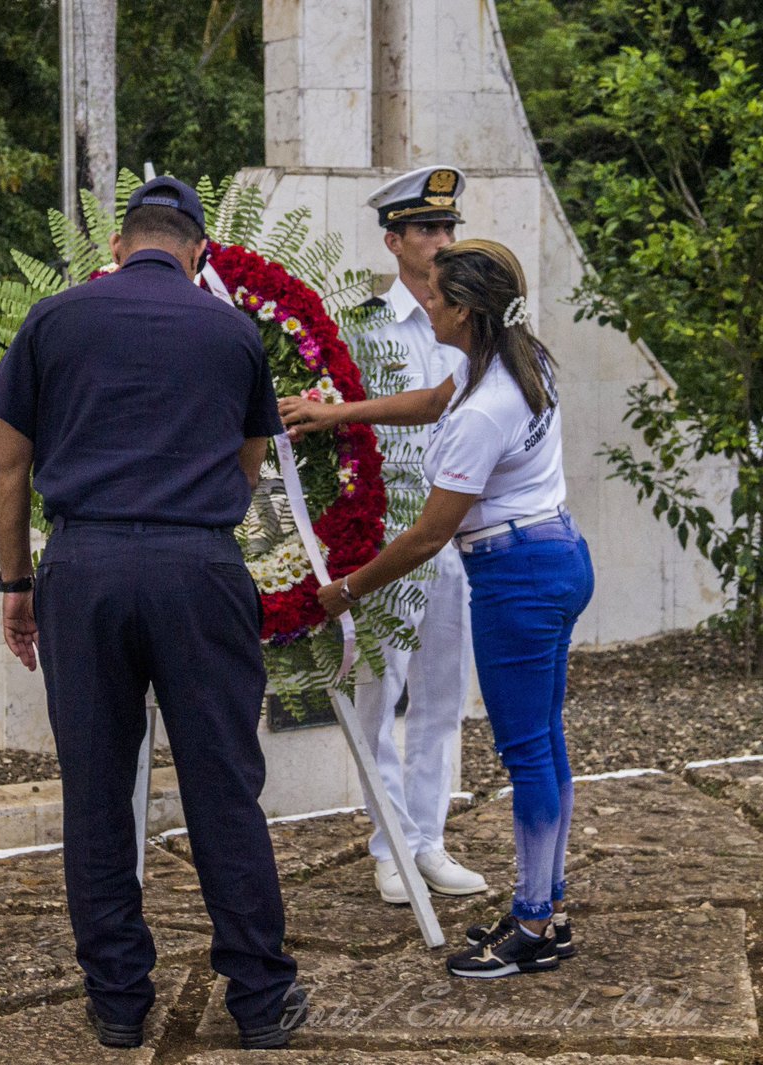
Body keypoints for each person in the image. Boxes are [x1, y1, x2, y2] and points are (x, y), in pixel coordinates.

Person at [0, 177, 305, 1049]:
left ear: (117, 248)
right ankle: (260, 996)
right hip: (198, 567)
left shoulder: (55, 320)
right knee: (223, 781)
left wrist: (17, 583)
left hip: (84, 567)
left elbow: (4, 464)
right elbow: (249, 459)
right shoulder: (232, 329)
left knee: (95, 786)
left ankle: (119, 998)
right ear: (197, 253)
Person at [282, 239, 593, 979]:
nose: (426, 303)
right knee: (546, 741)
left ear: (468, 311)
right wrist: (340, 412)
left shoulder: (488, 405)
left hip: (515, 575)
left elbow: (428, 534)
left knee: (526, 751)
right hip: (556, 555)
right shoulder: (518, 360)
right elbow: (429, 400)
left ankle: (532, 922)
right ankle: (546, 902)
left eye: (438, 296)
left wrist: (347, 588)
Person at [279, 166, 486, 905]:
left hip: (457, 533)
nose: (441, 241)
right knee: (382, 696)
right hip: (390, 536)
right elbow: (343, 422)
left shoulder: (474, 322)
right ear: (393, 239)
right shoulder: (363, 328)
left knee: (441, 701)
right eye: (426, 229)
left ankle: (427, 838)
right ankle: (389, 841)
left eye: (448, 228)